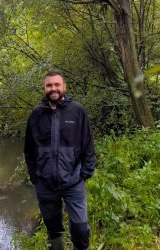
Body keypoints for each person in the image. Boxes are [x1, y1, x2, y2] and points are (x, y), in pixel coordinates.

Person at [24, 70, 96, 250]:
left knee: (80, 228)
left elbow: (88, 145)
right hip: (46, 184)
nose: (53, 88)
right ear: (44, 88)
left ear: (64, 86)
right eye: (49, 85)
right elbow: (29, 150)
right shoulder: (36, 114)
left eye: (57, 85)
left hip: (73, 181)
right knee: (53, 230)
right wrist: (35, 177)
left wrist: (85, 173)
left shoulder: (77, 111)